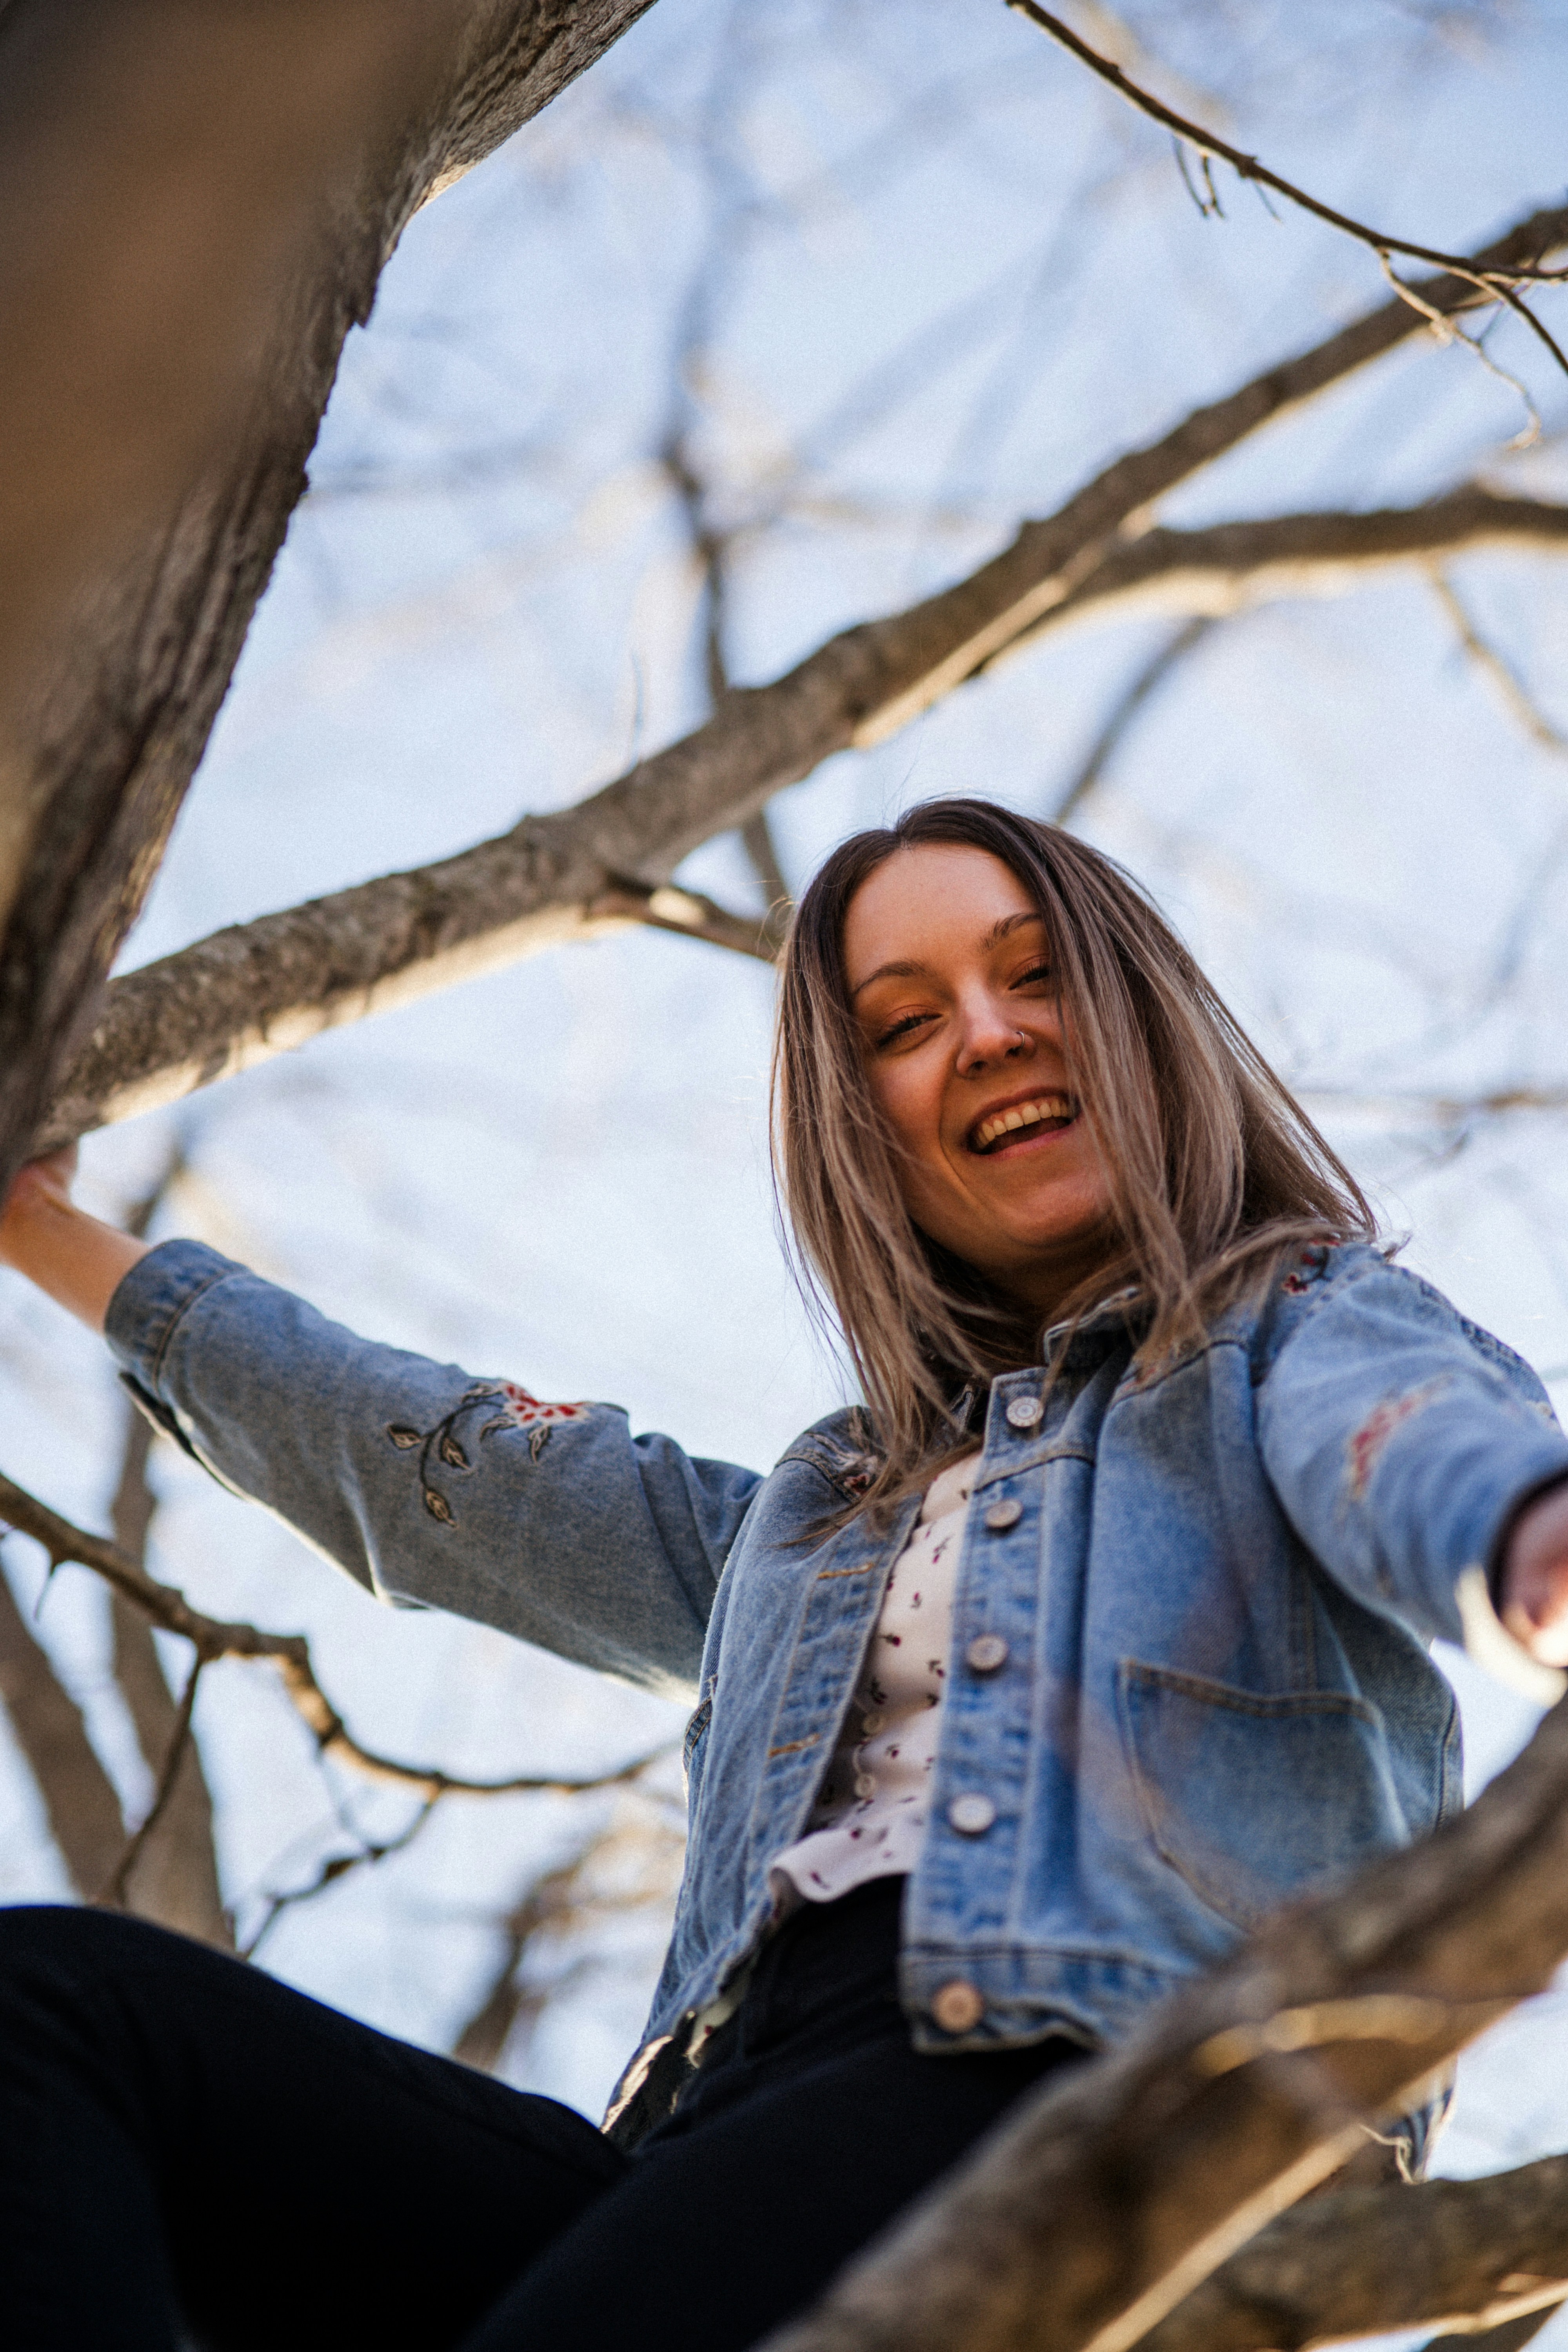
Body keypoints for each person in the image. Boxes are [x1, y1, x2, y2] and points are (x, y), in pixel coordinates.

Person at [2, 797, 1566, 2352]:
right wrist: (43, 1228)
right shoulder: (811, 1524)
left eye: (1035, 977)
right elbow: (448, 1478)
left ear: (1142, 1021)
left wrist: (1525, 1547)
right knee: (52, 2015)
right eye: (905, 1020)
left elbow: (1402, 1440)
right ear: (861, 1128)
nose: (986, 1032)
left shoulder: (1285, 1321)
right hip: (711, 2140)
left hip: (1090, 2079)